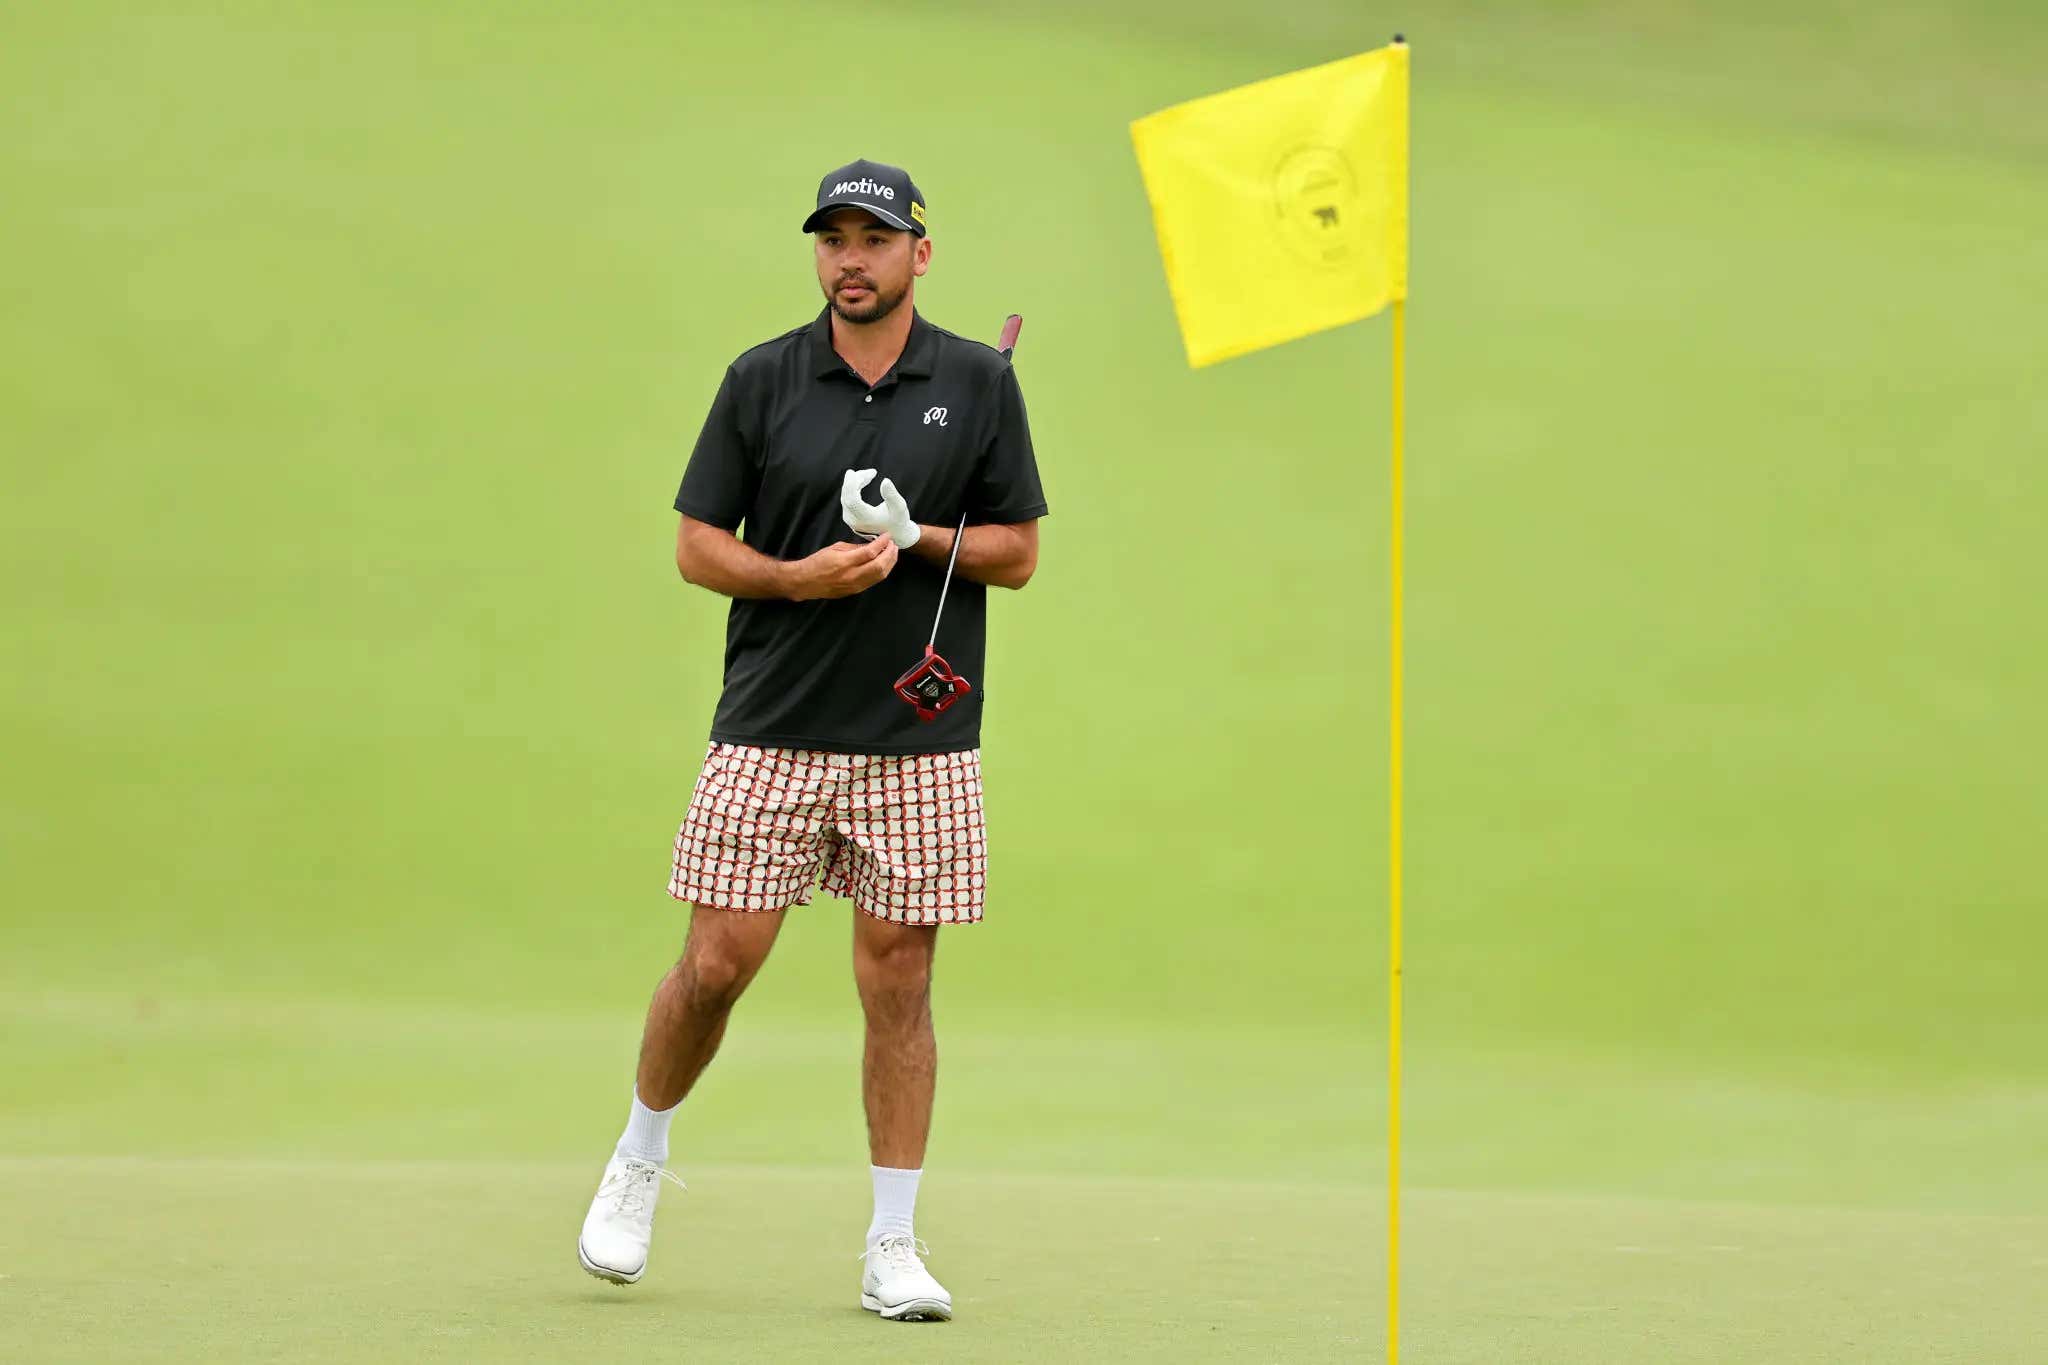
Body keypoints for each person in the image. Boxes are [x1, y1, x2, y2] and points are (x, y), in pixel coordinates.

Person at [575, 158, 1047, 1323]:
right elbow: (697, 544)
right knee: (717, 966)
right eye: (832, 239)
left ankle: (893, 1245)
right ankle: (636, 1162)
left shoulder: (979, 383)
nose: (850, 258)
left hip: (917, 736)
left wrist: (919, 534)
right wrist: (795, 579)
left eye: (874, 239)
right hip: (774, 722)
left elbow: (1018, 553)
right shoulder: (762, 379)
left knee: (899, 980)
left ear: (917, 256)